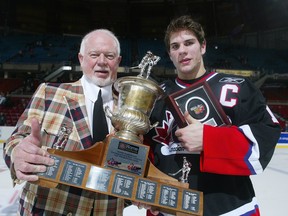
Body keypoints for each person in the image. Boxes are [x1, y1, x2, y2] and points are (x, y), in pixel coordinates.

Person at [144, 15, 281, 216]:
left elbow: (265, 136)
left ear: (203, 47)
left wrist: (209, 139)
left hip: (231, 209)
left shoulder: (239, 87)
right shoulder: (155, 96)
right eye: (175, 46)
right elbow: (145, 148)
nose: (182, 50)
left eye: (189, 43)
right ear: (170, 54)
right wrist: (142, 187)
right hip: (167, 209)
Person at [3, 29, 124, 215]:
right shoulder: (49, 93)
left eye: (109, 56)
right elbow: (16, 139)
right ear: (81, 58)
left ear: (118, 61)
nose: (102, 61)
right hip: (48, 209)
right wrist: (18, 152)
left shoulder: (129, 109)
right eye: (94, 55)